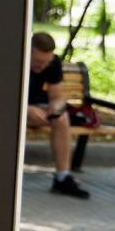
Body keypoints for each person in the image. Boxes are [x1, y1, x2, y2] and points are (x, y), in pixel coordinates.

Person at [27, 32, 90, 199]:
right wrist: (25, 109)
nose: (41, 67)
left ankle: (62, 178)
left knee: (61, 118)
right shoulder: (16, 58)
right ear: (28, 51)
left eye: (45, 63)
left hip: (36, 105)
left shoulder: (53, 64)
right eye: (38, 62)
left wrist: (55, 107)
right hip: (11, 105)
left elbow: (56, 97)